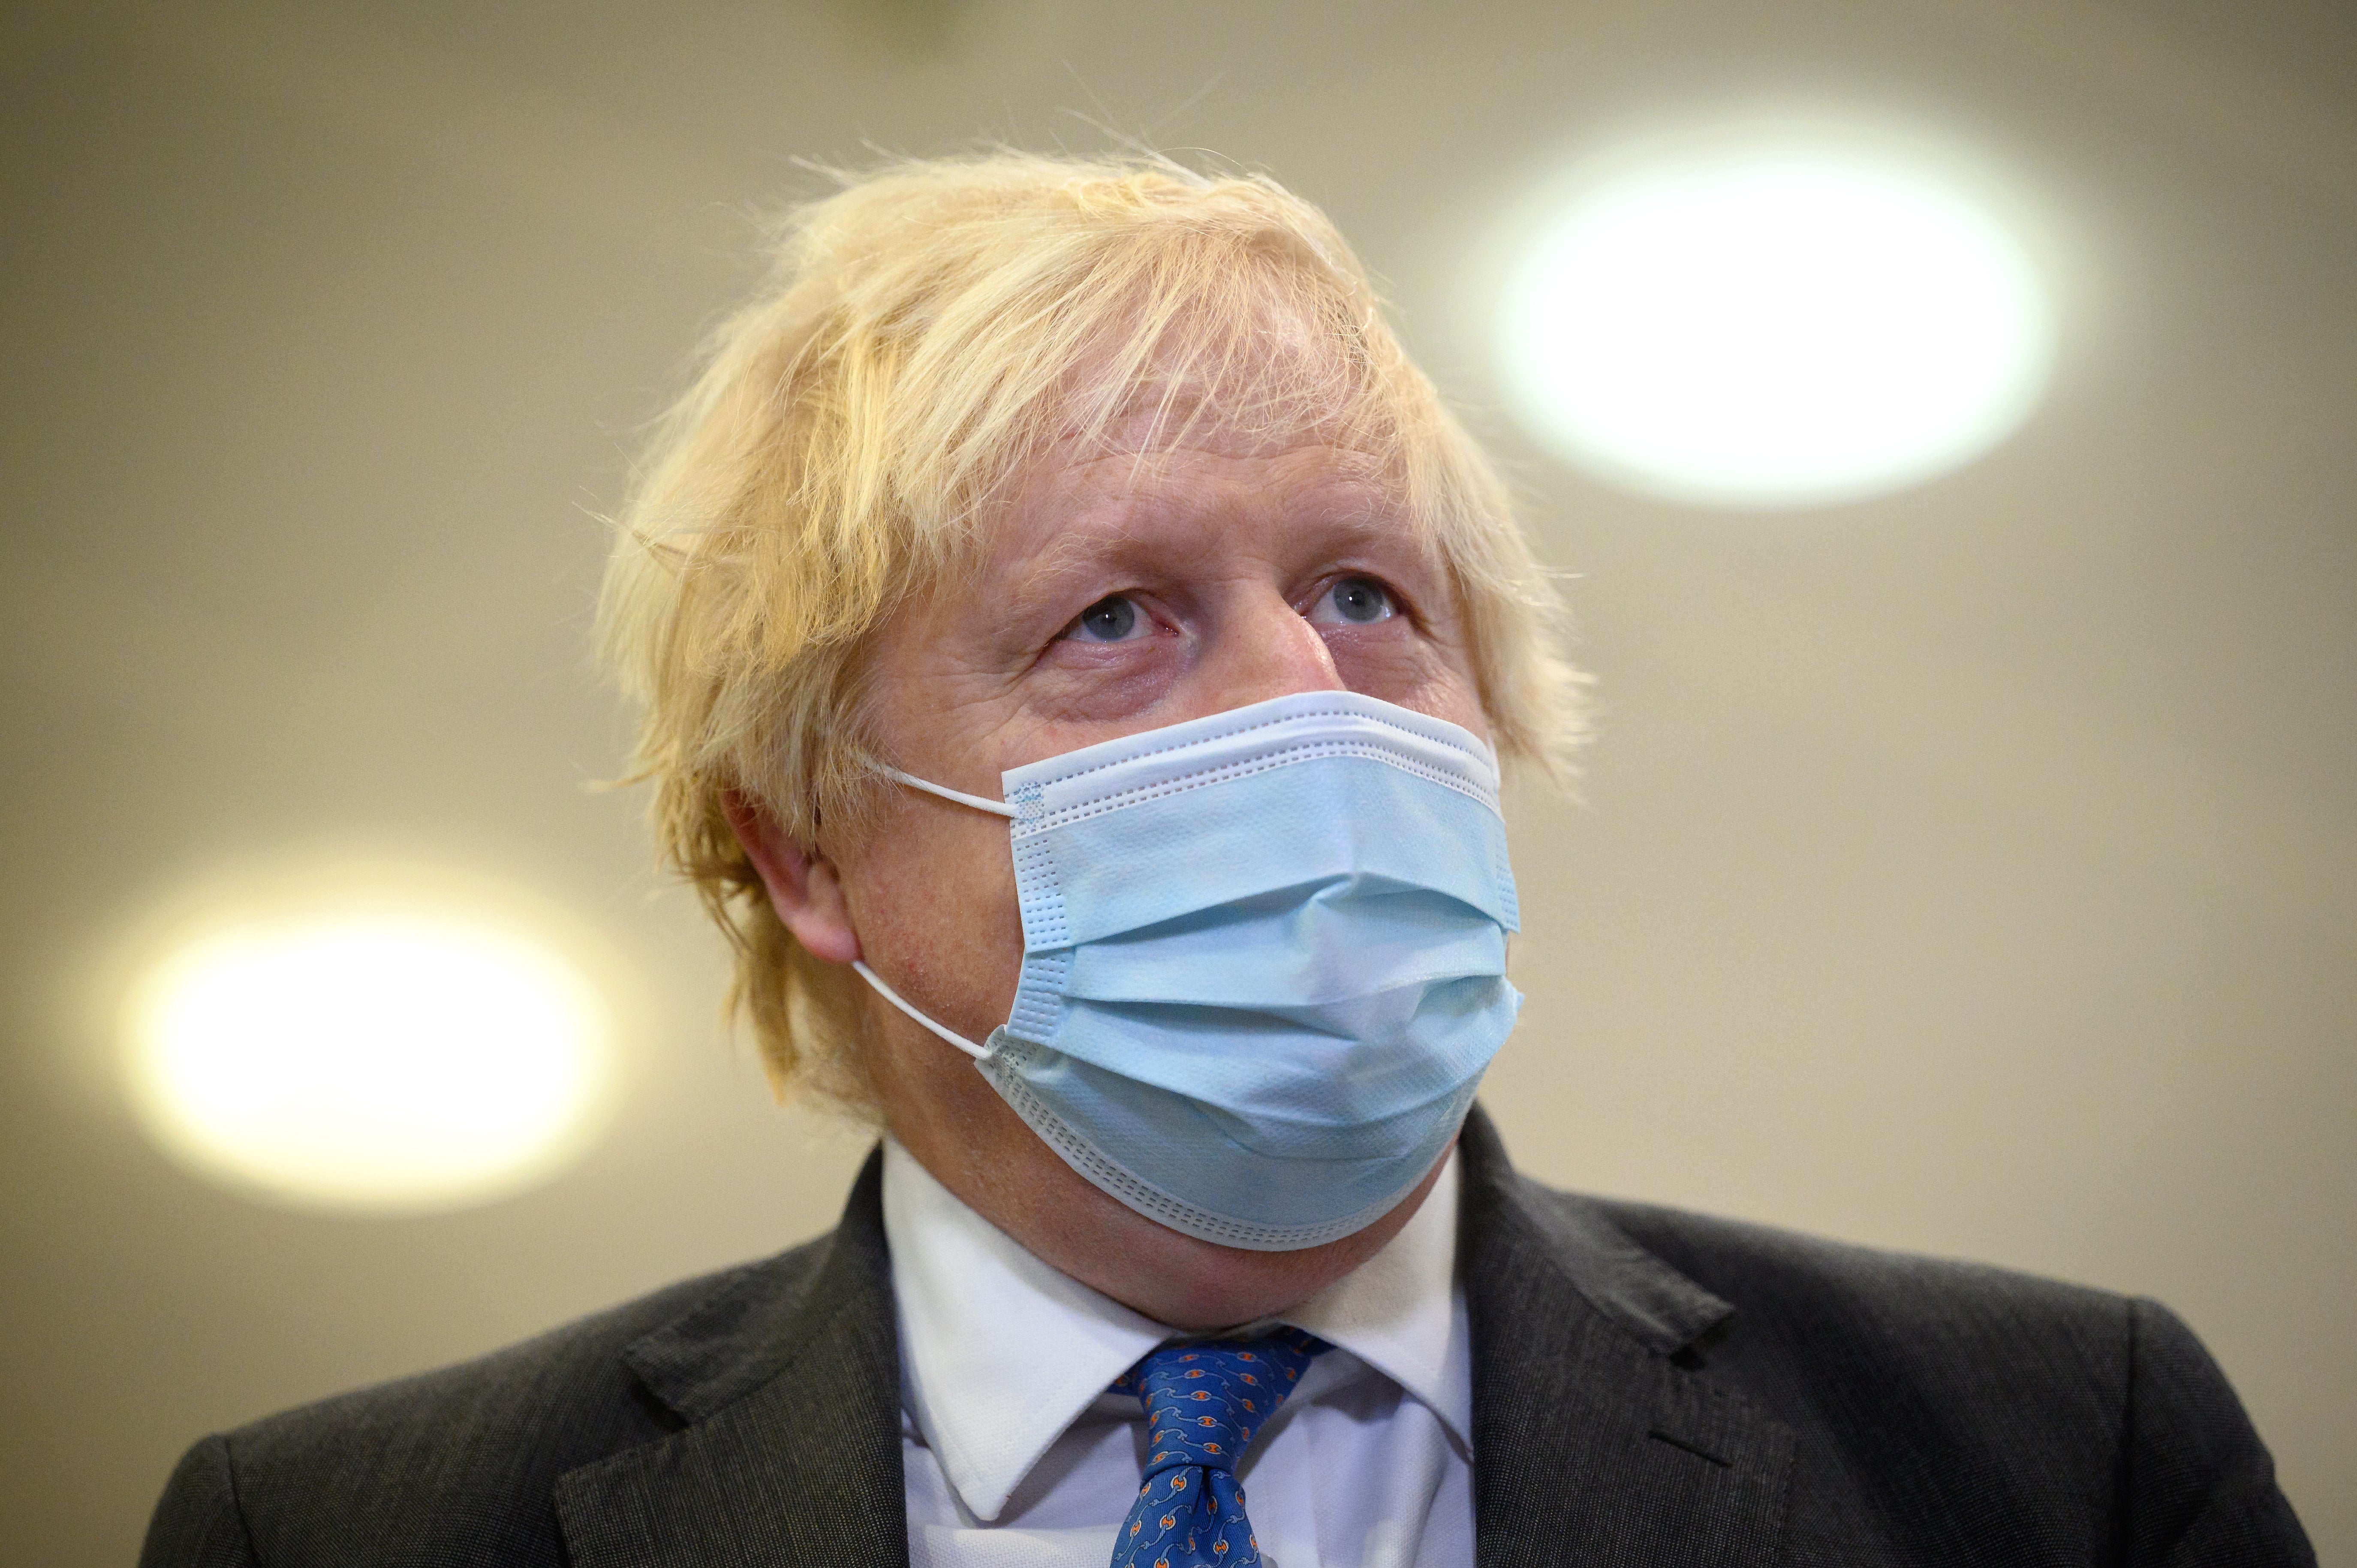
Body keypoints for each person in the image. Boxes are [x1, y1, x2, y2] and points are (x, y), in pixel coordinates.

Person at [141, 153, 2312, 1568]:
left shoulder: (2047, 1463)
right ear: (800, 848)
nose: (1305, 699)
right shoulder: (339, 1532)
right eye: (1118, 621)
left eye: (1369, 596)